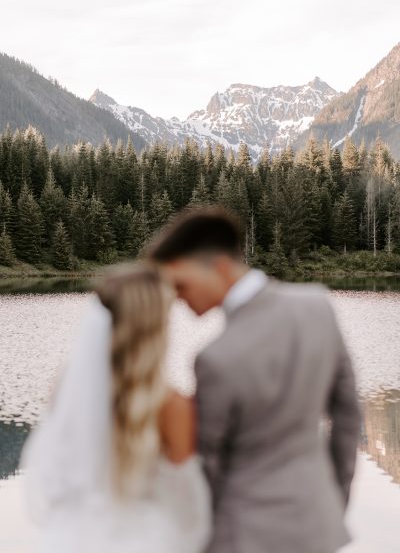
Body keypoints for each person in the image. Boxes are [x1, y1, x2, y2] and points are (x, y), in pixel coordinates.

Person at [148, 207, 362, 553]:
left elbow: (209, 466)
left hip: (242, 536)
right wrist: (334, 501)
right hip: (319, 526)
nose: (177, 297)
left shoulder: (215, 358)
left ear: (220, 267)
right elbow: (348, 415)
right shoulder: (317, 306)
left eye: (181, 284)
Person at [21, 264, 211, 553]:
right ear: (152, 325)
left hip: (74, 538)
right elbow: (189, 507)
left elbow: (54, 471)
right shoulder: (170, 405)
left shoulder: (67, 387)